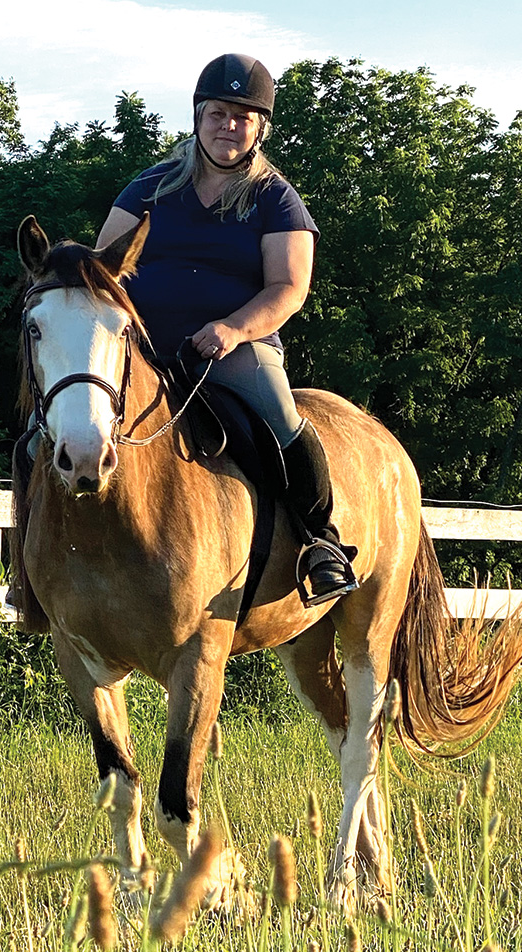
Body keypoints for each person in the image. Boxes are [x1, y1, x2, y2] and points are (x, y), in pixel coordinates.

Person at [96, 52, 359, 605]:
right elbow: (103, 272)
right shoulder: (147, 189)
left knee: (280, 416)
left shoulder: (276, 199)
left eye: (243, 117)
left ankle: (321, 542)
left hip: (232, 352)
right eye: (218, 113)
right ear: (198, 117)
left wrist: (234, 329)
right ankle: (35, 563)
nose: (228, 126)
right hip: (141, 348)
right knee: (55, 420)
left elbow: (289, 288)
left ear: (260, 128)